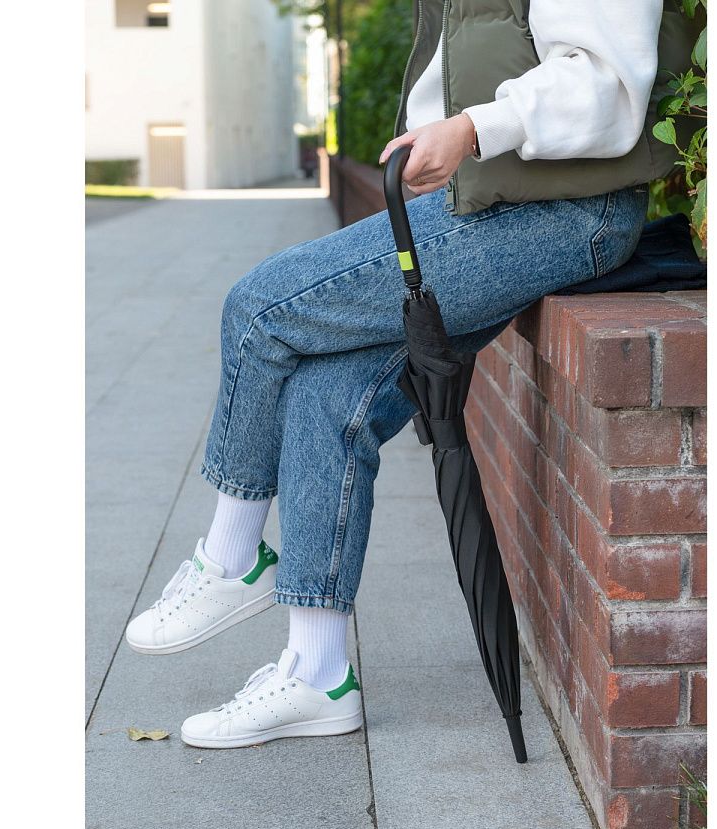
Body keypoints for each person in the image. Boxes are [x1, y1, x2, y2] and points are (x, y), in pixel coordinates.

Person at [126, 0, 683, 749]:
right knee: (324, 395)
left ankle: (231, 557)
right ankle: (318, 675)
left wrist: (473, 130)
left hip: (563, 212)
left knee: (259, 311)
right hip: (492, 201)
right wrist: (438, 136)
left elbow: (607, 85)